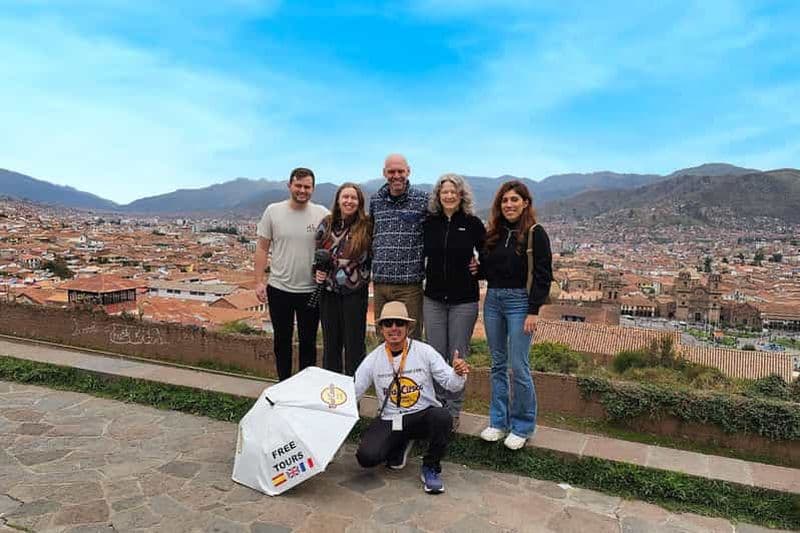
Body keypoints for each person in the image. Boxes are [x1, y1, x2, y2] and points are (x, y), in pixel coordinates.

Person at [354, 301, 470, 494]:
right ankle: (400, 442)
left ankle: (430, 467)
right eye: (388, 323)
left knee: (442, 417)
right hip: (392, 418)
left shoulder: (424, 351)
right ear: (381, 329)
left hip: (421, 416)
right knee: (366, 458)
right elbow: (354, 391)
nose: (394, 328)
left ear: (408, 327)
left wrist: (458, 372)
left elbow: (451, 384)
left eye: (399, 323)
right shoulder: (373, 359)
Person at [478, 180, 553, 450]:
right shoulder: (494, 234)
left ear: (525, 203)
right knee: (498, 363)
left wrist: (534, 310)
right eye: (504, 200)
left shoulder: (536, 233)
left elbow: (544, 275)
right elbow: (487, 272)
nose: (509, 204)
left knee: (519, 366)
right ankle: (498, 422)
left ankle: (522, 425)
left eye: (514, 200)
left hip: (520, 302)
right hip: (494, 300)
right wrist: (477, 267)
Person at [422, 173, 486, 430]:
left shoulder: (472, 224)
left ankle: (454, 410)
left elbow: (488, 254)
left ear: (461, 196)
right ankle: (437, 406)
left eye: (453, 191)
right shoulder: (430, 223)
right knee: (435, 356)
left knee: (457, 356)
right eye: (444, 191)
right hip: (434, 298)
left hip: (464, 301)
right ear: (438, 196)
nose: (448, 195)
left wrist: (479, 270)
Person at [254, 167, 329, 381]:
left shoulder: (322, 213)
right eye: (298, 185)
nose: (302, 190)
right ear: (289, 186)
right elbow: (261, 248)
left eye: (307, 187)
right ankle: (283, 384)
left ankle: (304, 387)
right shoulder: (273, 211)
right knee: (282, 341)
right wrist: (258, 282)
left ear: (313, 189)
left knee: (308, 342)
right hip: (279, 288)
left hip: (310, 290)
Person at [314, 183, 372, 375]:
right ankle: (331, 394)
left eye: (353, 198)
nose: (349, 201)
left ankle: (353, 392)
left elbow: (372, 258)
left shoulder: (367, 227)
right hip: (329, 293)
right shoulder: (326, 224)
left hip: (355, 294)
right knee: (331, 346)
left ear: (359, 202)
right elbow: (317, 254)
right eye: (345, 197)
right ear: (338, 200)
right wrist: (317, 271)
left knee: (354, 345)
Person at [369, 153, 429, 339]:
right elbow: (372, 233)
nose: (396, 176)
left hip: (409, 285)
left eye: (400, 171)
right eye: (392, 171)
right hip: (380, 283)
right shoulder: (375, 201)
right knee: (384, 338)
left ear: (408, 171)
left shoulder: (423, 200)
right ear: (384, 173)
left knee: (411, 338)